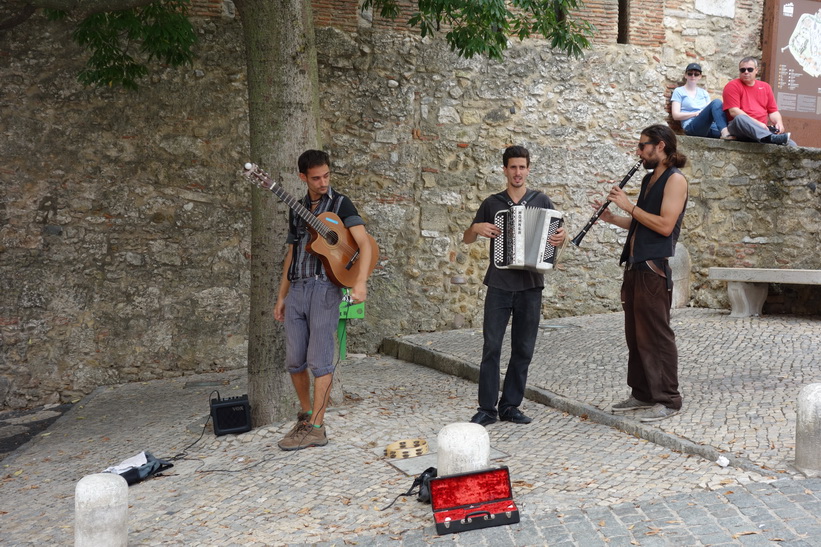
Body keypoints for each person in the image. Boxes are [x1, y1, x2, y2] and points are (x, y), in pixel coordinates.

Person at [274, 149, 373, 451]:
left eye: (326, 175)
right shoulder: (298, 208)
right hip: (298, 289)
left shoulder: (341, 203)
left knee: (319, 360)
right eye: (315, 178)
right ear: (302, 177)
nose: (322, 182)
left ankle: (318, 426)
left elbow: (364, 244)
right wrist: (281, 297)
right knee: (294, 361)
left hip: (324, 289)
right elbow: (291, 254)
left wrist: (360, 281)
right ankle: (306, 416)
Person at [463, 145, 567, 427]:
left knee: (523, 348)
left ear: (528, 169)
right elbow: (467, 238)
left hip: (531, 285)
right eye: (513, 167)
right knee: (492, 347)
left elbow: (558, 234)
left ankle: (510, 405)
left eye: (522, 167)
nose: (518, 172)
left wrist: (561, 239)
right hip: (499, 283)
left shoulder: (542, 201)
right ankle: (487, 408)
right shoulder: (492, 203)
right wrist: (476, 229)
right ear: (505, 170)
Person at [594, 125, 687, 422]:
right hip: (635, 266)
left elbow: (664, 226)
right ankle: (643, 393)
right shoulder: (649, 179)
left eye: (642, 145)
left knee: (657, 335)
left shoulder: (675, 180)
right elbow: (641, 222)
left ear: (659, 146)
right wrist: (612, 217)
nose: (638, 151)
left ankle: (668, 399)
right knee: (635, 335)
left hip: (653, 267)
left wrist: (629, 206)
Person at [723, 56, 795, 146]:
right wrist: (757, 124)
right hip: (740, 128)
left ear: (756, 70)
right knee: (740, 118)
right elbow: (734, 111)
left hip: (762, 130)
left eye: (750, 69)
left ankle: (769, 137)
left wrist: (779, 123)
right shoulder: (733, 85)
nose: (746, 72)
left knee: (792, 145)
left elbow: (773, 111)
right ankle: (770, 138)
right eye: (742, 70)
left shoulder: (765, 87)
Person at [670, 63, 732, 140]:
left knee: (734, 131)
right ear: (685, 75)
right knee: (716, 102)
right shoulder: (679, 91)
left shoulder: (704, 93)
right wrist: (695, 114)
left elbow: (710, 112)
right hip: (691, 126)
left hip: (707, 127)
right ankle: (725, 133)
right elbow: (676, 115)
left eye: (696, 74)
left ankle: (725, 131)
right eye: (690, 73)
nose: (693, 76)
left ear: (700, 76)